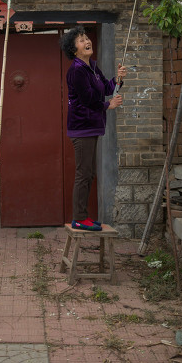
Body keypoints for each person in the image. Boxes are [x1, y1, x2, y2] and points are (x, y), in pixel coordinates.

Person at [60, 26, 127, 231]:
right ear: (74, 50)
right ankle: (79, 218)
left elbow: (106, 88)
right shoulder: (77, 70)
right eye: (80, 40)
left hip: (91, 127)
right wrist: (108, 105)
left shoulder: (92, 67)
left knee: (88, 174)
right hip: (82, 129)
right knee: (84, 173)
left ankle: (83, 217)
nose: (86, 41)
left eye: (86, 38)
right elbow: (88, 99)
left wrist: (118, 79)